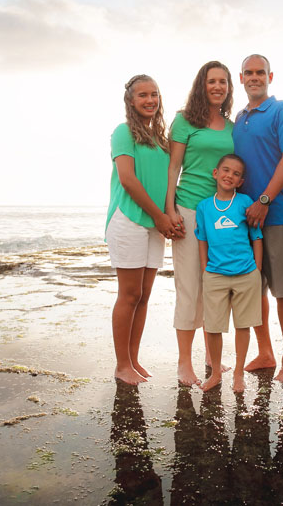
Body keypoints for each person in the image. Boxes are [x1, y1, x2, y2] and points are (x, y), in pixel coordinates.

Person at [232, 54, 283, 383]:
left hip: (279, 215)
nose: (254, 77)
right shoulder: (239, 117)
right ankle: (265, 352)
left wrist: (264, 200)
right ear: (241, 78)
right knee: (254, 288)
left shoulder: (282, 110)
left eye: (260, 72)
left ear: (270, 77)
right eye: (248, 73)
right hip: (247, 218)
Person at [106, 75, 181, 385]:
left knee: (144, 295)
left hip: (154, 224)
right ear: (131, 101)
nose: (150, 100)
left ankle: (133, 360)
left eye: (154, 94)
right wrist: (159, 216)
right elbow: (127, 179)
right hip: (129, 220)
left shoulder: (160, 139)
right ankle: (122, 365)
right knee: (129, 294)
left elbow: (167, 180)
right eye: (143, 95)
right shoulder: (123, 132)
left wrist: (168, 215)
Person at [165, 61, 235, 386]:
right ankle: (183, 362)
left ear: (228, 87)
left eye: (223, 81)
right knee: (189, 287)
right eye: (212, 81)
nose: (217, 86)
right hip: (189, 210)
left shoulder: (232, 127)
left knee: (215, 288)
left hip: (221, 214)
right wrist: (170, 210)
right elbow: (173, 167)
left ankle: (212, 357)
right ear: (201, 85)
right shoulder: (184, 121)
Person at [195, 154, 263, 392]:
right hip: (215, 274)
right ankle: (215, 373)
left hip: (246, 273)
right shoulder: (204, 207)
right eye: (225, 170)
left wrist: (257, 269)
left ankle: (238, 373)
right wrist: (205, 269)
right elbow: (202, 239)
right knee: (213, 326)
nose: (229, 176)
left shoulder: (245, 202)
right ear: (215, 173)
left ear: (241, 181)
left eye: (236, 174)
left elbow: (256, 237)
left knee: (243, 325)